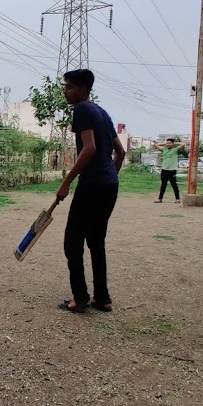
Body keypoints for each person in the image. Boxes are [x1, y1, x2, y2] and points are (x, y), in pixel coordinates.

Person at [55, 69, 126, 313]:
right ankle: (102, 298)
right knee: (96, 241)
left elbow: (90, 148)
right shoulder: (102, 112)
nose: (66, 91)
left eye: (70, 87)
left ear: (84, 88)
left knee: (72, 242)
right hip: (109, 186)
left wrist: (66, 181)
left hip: (92, 185)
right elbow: (121, 152)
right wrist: (109, 177)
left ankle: (80, 298)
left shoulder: (82, 110)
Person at [155, 138, 187, 203]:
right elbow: (157, 145)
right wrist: (166, 143)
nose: (168, 144)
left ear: (172, 144)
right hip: (164, 169)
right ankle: (160, 199)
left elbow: (183, 144)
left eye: (169, 143)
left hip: (172, 170)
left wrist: (174, 143)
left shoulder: (175, 149)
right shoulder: (164, 149)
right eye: (167, 143)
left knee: (174, 185)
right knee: (163, 185)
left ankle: (177, 199)